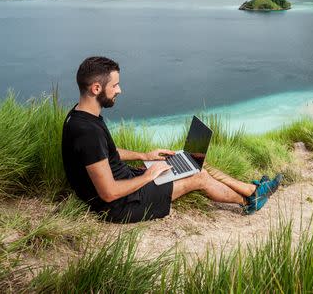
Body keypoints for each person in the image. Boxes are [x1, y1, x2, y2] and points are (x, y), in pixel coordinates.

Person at [61, 56, 281, 223]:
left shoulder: (80, 116)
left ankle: (252, 190)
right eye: (115, 85)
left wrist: (144, 156)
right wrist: (148, 176)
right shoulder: (87, 131)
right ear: (96, 88)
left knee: (193, 162)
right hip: (120, 206)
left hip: (125, 184)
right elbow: (109, 194)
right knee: (199, 177)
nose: (120, 90)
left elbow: (105, 153)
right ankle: (249, 200)